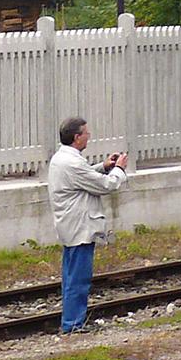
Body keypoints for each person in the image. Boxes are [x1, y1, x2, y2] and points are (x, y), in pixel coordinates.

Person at [47, 117, 128, 334]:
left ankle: (72, 320)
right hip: (79, 227)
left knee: (70, 276)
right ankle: (73, 324)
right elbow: (106, 185)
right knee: (78, 279)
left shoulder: (62, 158)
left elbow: (83, 177)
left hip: (70, 226)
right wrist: (118, 170)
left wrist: (103, 166)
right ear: (76, 137)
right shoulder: (72, 163)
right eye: (86, 133)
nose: (88, 136)